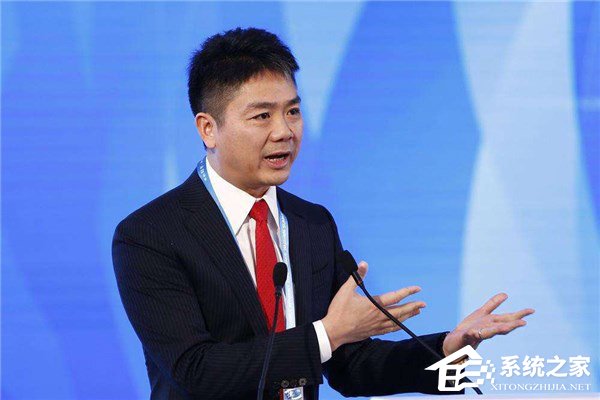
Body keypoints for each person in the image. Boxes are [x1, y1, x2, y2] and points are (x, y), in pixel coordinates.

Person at [112, 27, 534, 400]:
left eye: (293, 111)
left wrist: (445, 351)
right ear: (208, 129)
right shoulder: (151, 234)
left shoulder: (311, 223)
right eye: (262, 116)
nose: (285, 131)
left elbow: (350, 365)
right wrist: (329, 333)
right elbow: (196, 371)